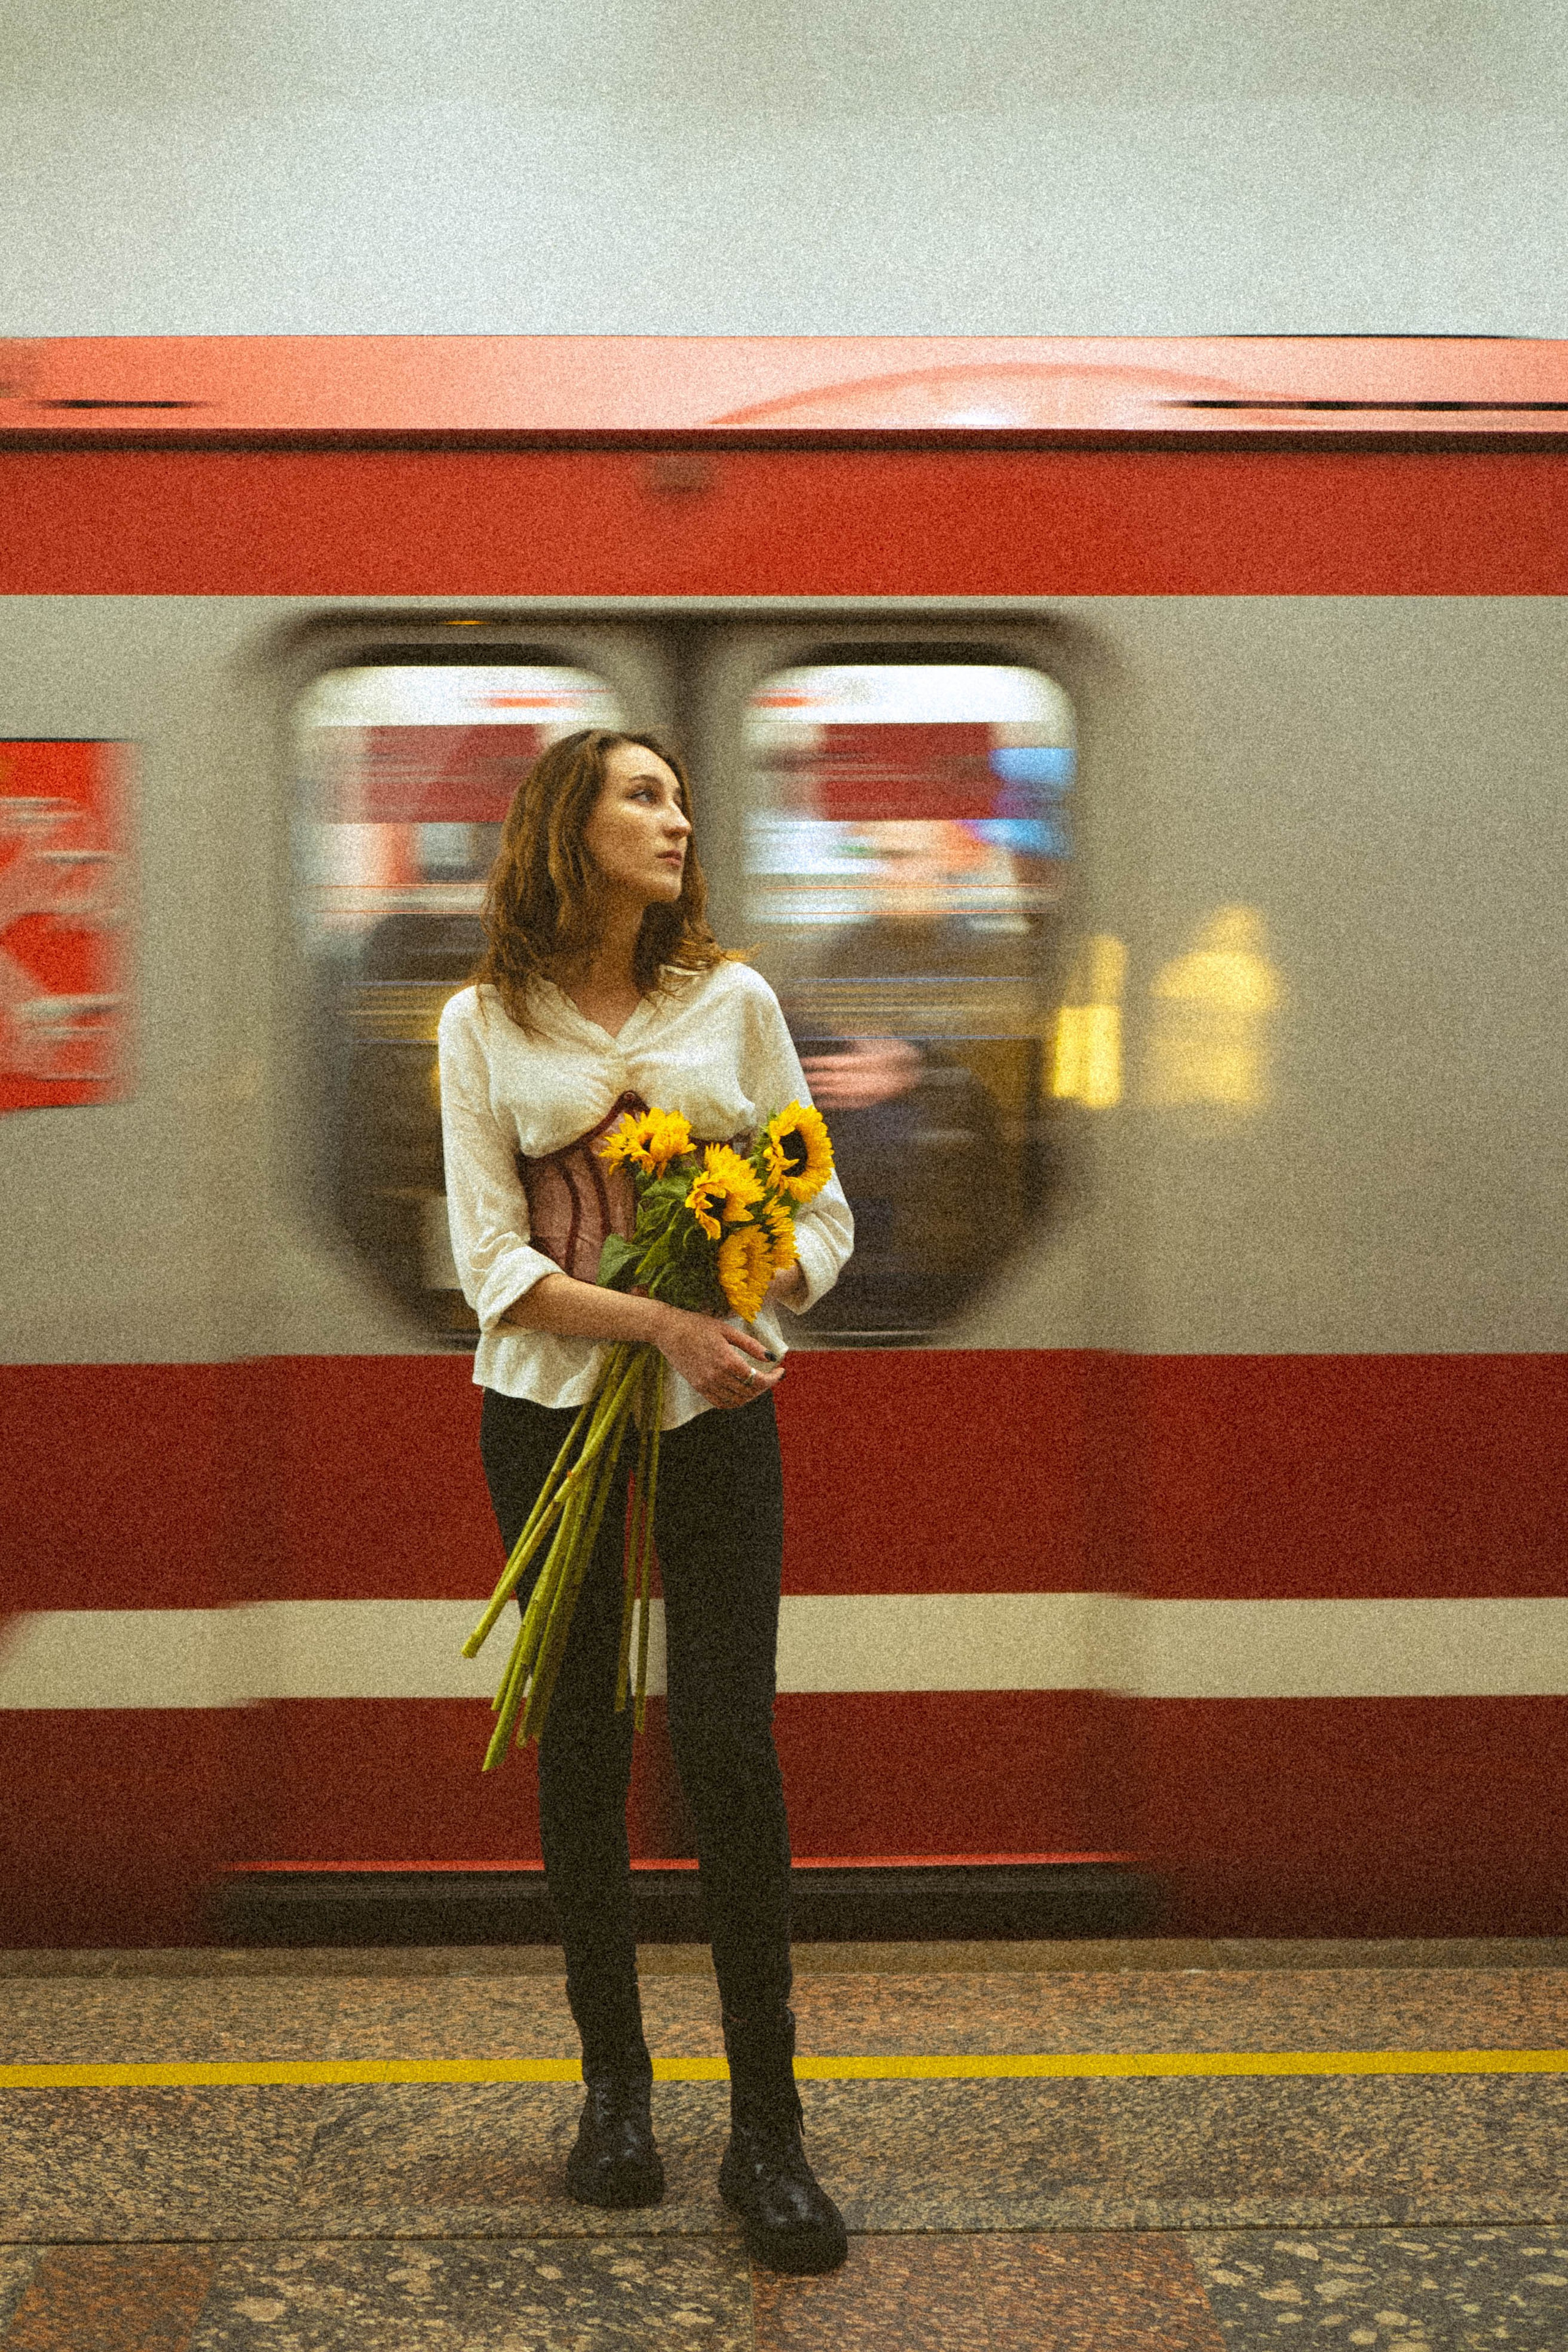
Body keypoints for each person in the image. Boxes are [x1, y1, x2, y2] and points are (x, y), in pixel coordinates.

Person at [436, 729, 854, 2275]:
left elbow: (818, 1202)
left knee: (730, 1746)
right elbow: (492, 1271)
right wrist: (656, 1320)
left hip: (714, 1421)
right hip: (544, 1422)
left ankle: (768, 2130)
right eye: (644, 796)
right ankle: (614, 2096)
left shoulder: (731, 1005)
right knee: (587, 1746)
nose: (677, 820)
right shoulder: (482, 1023)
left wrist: (750, 1283)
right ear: (569, 826)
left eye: (680, 799)